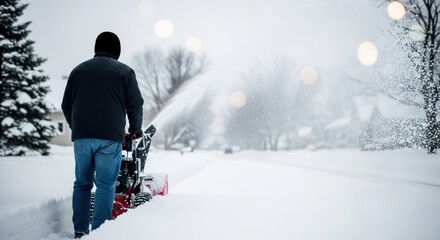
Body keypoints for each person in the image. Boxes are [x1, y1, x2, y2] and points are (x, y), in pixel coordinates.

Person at [62, 31, 144, 238]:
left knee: (82, 184)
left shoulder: (78, 71)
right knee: (106, 185)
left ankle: (80, 230)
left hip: (82, 137)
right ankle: (99, 233)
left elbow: (66, 105)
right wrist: (135, 129)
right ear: (116, 50)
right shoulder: (124, 72)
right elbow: (135, 105)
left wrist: (77, 127)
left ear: (96, 48)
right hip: (109, 138)